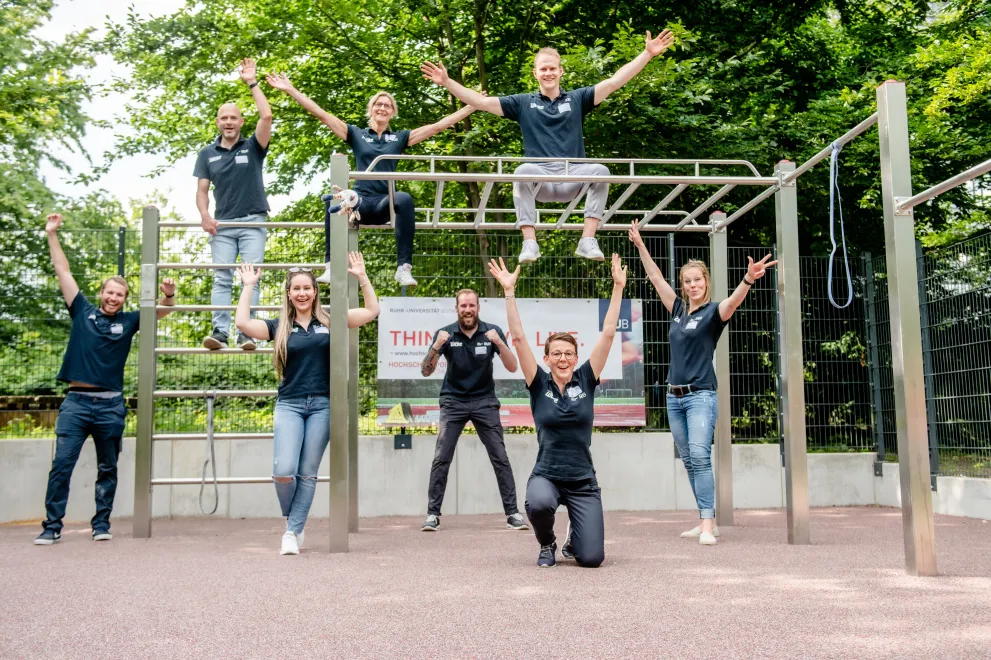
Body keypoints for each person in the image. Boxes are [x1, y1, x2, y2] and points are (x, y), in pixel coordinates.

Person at [421, 30, 675, 264]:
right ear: (535, 73)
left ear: (561, 71)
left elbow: (614, 81)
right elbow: (478, 101)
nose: (548, 73)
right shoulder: (522, 103)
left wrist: (647, 54)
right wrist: (447, 82)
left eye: (552, 68)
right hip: (539, 178)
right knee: (520, 172)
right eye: (543, 69)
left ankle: (587, 240)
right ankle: (530, 243)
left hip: (572, 177)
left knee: (601, 170)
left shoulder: (577, 99)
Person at [628, 221, 776, 545]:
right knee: (690, 460)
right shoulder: (678, 310)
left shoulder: (712, 313)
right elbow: (655, 278)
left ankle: (708, 525)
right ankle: (705, 517)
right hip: (673, 397)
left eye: (697, 280)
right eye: (687, 281)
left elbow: (734, 302)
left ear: (706, 282)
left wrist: (749, 279)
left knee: (699, 453)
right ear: (683, 285)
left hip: (701, 396)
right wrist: (640, 244)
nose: (693, 284)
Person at [35, 213, 176, 545]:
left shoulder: (129, 321)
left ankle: (101, 524)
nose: (114, 298)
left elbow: (163, 311)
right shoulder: (81, 311)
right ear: (101, 293)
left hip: (110, 406)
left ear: (125, 299)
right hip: (76, 404)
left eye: (120, 295)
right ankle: (51, 526)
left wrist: (168, 295)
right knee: (61, 466)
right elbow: (63, 271)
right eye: (110, 293)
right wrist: (52, 235)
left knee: (107, 468)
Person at [265, 73, 478, 287]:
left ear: (392, 112)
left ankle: (403, 268)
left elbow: (437, 127)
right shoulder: (357, 134)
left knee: (404, 198)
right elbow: (321, 114)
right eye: (378, 104)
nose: (382, 108)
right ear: (372, 108)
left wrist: (470, 106)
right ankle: (331, 265)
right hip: (360, 204)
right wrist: (291, 89)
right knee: (337, 199)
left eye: (387, 105)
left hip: (384, 203)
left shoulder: (399, 138)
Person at [487, 254, 627, 567]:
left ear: (576, 358)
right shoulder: (538, 383)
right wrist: (509, 291)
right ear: (547, 359)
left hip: (582, 481)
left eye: (568, 353)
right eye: (556, 354)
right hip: (547, 476)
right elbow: (519, 338)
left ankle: (574, 538)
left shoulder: (587, 379)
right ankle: (547, 543)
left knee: (591, 559)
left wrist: (618, 288)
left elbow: (607, 333)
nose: (563, 358)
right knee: (537, 504)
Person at [234, 254, 378, 555]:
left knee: (308, 472)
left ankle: (292, 532)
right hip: (289, 404)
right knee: (284, 471)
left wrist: (362, 276)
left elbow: (371, 310)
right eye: (296, 288)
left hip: (324, 405)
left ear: (315, 292)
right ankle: (293, 517)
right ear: (288, 293)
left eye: (307, 288)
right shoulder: (279, 326)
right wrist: (248, 286)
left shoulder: (331, 321)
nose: (302, 293)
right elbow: (243, 323)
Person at [419, 289, 528, 532]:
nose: (467, 310)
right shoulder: (446, 334)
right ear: (456, 309)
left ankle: (513, 513)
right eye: (463, 306)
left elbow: (512, 367)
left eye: (471, 305)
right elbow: (426, 371)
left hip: (484, 401)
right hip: (453, 402)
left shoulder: (492, 332)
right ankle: (432, 514)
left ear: (478, 308)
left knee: (500, 457)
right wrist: (436, 347)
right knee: (441, 458)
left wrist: (499, 342)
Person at [194, 57, 273, 351]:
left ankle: (248, 333)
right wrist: (204, 215)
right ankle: (220, 331)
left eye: (233, 118)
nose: (228, 122)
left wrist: (252, 83)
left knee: (250, 277)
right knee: (221, 278)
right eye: (223, 118)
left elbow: (266, 117)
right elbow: (202, 191)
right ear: (218, 122)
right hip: (222, 224)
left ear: (241, 122)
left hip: (253, 221)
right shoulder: (206, 154)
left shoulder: (253, 146)